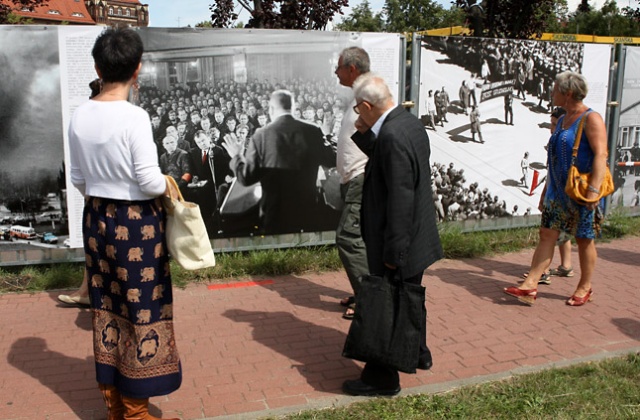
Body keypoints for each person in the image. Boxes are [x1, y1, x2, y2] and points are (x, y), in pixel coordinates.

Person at [67, 28, 181, 419]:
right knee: (142, 309)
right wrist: (168, 183)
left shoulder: (80, 114)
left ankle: (114, 404)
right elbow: (149, 181)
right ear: (138, 70)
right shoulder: (135, 117)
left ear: (97, 67)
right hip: (136, 225)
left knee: (106, 307)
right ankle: (136, 410)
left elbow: (78, 179)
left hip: (96, 218)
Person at [342, 74, 443, 397]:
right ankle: (418, 352)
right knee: (408, 295)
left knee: (386, 306)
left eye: (359, 109)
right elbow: (395, 169)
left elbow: (401, 197)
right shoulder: (407, 123)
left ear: (368, 105)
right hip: (417, 234)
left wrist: (392, 253)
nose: (358, 115)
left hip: (400, 238)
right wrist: (365, 137)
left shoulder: (392, 135)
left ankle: (381, 378)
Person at [505, 71, 608, 307]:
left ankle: (585, 286)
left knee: (584, 239)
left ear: (568, 93)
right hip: (557, 192)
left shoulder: (591, 118)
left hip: (581, 191)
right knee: (547, 234)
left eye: (555, 90)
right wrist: (545, 189)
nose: (551, 94)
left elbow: (601, 154)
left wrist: (594, 190)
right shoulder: (562, 119)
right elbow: (553, 158)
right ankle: (530, 285)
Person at [222, 89, 334, 235]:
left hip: (275, 213)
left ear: (271, 109)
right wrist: (328, 136)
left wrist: (236, 156)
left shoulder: (261, 135)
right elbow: (332, 161)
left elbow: (247, 177)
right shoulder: (313, 131)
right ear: (292, 108)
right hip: (307, 209)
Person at [333, 47, 371, 320]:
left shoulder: (369, 95)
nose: (336, 72)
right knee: (361, 240)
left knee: (348, 238)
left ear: (352, 69)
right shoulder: (360, 95)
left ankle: (368, 300)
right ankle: (364, 292)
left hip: (360, 177)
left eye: (339, 67)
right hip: (352, 177)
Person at [522, 107, 574, 284]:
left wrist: (545, 195)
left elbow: (555, 174)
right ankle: (566, 266)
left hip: (558, 196)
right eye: (551, 124)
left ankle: (542, 271)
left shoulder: (561, 143)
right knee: (560, 232)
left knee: (547, 235)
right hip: (561, 195)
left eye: (555, 124)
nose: (551, 128)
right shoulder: (564, 141)